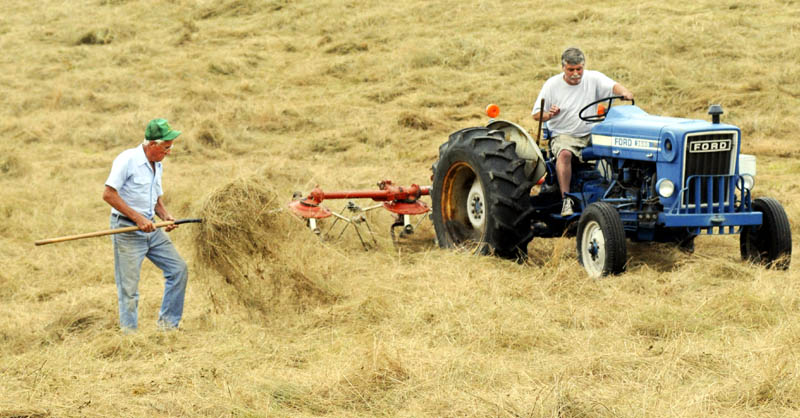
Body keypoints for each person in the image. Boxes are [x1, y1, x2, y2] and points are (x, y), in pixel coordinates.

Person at [102, 118, 188, 332]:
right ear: (152, 145)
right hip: (127, 230)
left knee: (178, 270)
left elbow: (156, 200)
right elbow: (108, 194)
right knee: (129, 289)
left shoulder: (157, 164)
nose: (169, 152)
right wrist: (137, 218)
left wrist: (165, 216)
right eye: (166, 147)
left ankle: (168, 327)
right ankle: (129, 338)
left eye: (170, 147)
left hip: (151, 230)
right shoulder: (127, 160)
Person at [532, 47, 634, 216]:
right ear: (563, 68)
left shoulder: (593, 78)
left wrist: (624, 92)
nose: (575, 73)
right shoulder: (552, 85)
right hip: (564, 134)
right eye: (571, 70)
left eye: (579, 69)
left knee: (618, 145)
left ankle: (620, 191)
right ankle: (566, 199)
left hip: (590, 132)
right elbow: (536, 114)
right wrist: (549, 114)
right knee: (564, 154)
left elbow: (613, 86)